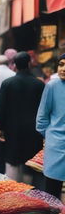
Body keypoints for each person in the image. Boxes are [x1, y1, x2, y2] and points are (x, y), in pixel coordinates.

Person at [0, 52, 44, 184]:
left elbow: (1, 107)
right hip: (33, 129)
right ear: (29, 64)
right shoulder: (39, 84)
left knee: (13, 160)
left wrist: (0, 127)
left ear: (15, 65)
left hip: (12, 128)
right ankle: (28, 191)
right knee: (30, 162)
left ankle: (13, 192)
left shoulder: (7, 83)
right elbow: (43, 110)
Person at [36, 53, 65, 199]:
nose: (63, 69)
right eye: (61, 64)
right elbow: (42, 116)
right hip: (55, 144)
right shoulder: (52, 86)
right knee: (52, 193)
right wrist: (48, 136)